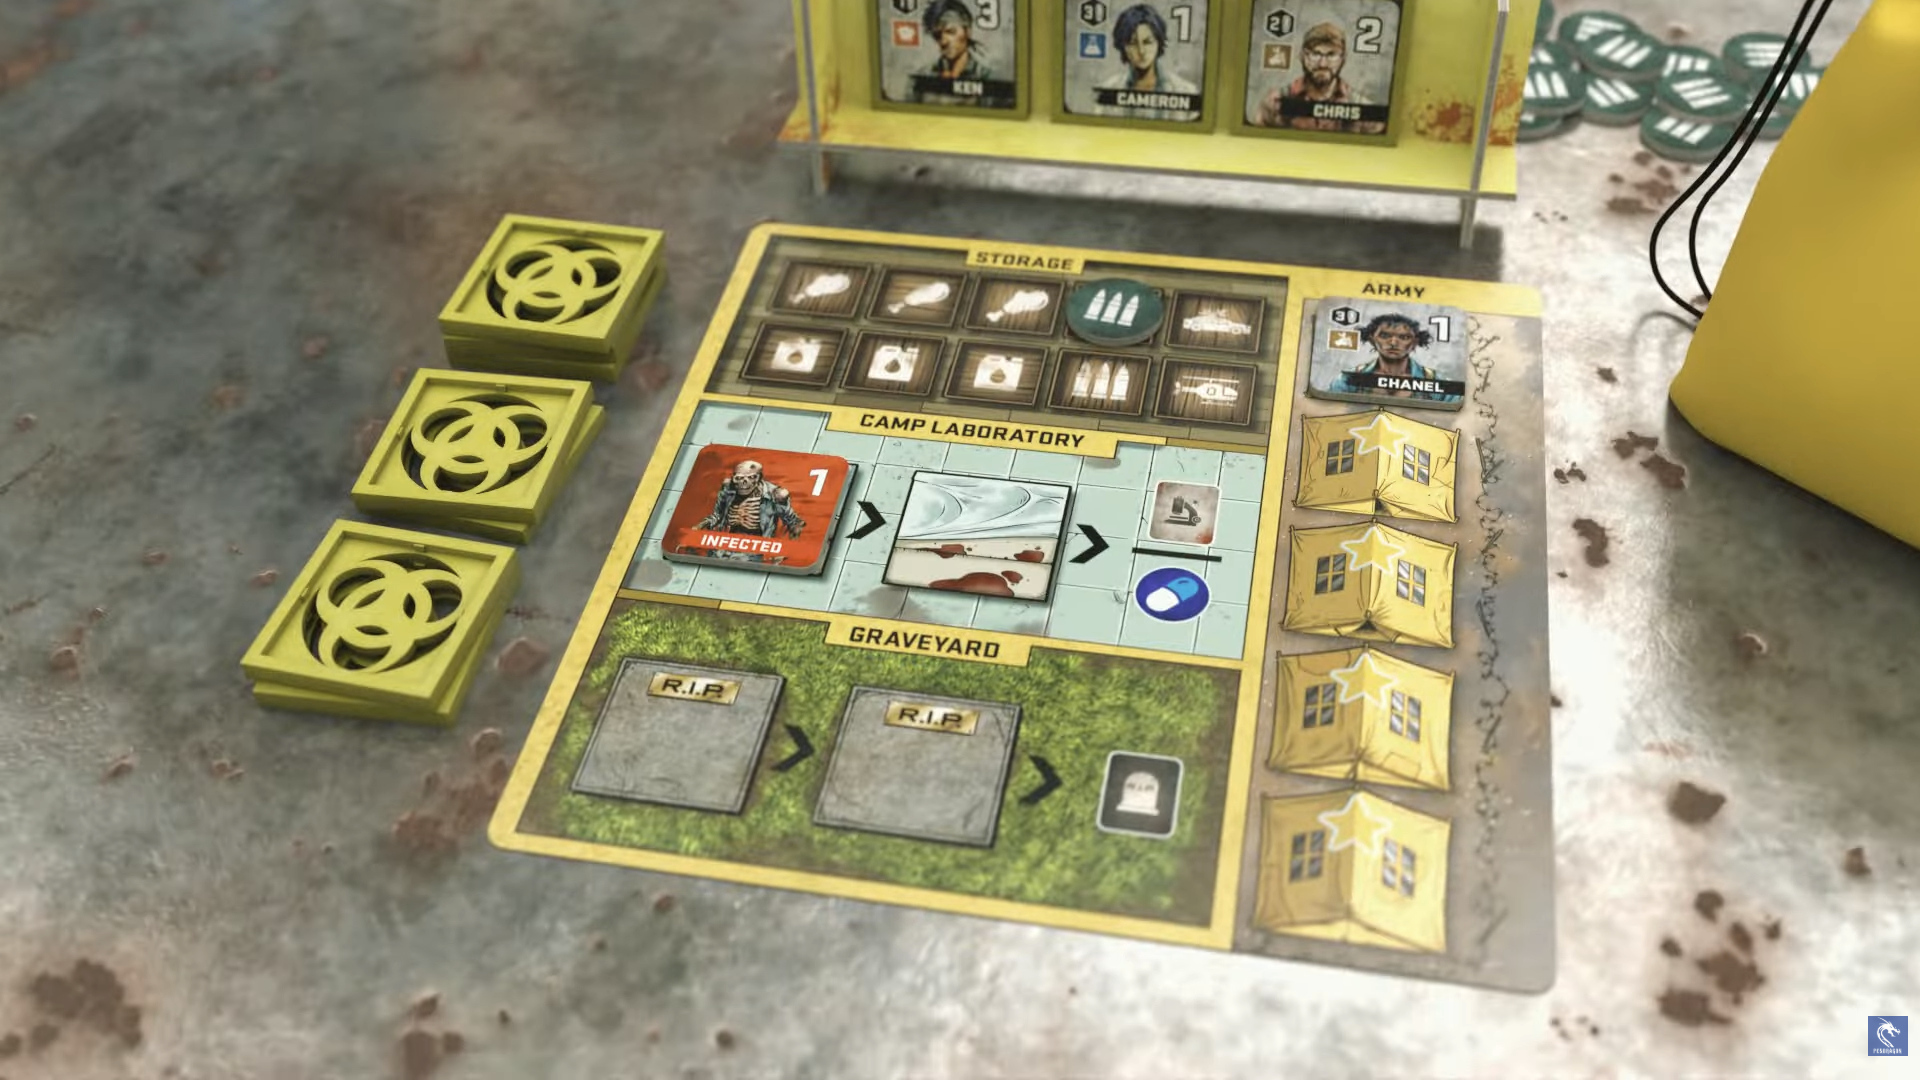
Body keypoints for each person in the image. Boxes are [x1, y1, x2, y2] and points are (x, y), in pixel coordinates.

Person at [1255, 22, 1386, 135]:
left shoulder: (1363, 108)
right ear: (1303, 56)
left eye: (1331, 55)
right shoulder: (1275, 103)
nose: (1323, 64)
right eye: (1316, 54)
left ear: (1342, 59)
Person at [1089, 4, 1201, 122]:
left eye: (1148, 42)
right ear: (1123, 46)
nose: (1141, 51)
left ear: (1159, 43)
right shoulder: (1107, 91)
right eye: (1133, 43)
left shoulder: (1185, 90)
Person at [685, 460, 805, 563]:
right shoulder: (728, 489)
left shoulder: (775, 494)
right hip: (723, 546)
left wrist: (787, 550)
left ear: (759, 478)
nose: (744, 482)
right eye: (739, 478)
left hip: (754, 549)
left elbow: (795, 523)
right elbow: (717, 515)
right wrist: (698, 527)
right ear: (734, 478)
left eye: (751, 477)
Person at [1331, 313, 1460, 403]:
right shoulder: (1348, 379)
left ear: (1415, 342)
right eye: (1384, 335)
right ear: (1372, 340)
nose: (1393, 343)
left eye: (1404, 337)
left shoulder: (1438, 382)